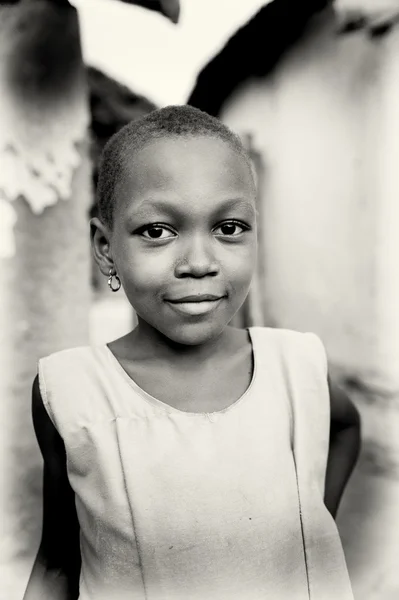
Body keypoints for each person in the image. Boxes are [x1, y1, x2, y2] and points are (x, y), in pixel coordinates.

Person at [24, 105, 361, 600]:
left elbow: (347, 426)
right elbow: (58, 560)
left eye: (229, 228)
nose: (200, 263)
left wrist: (310, 519)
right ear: (105, 247)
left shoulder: (295, 367)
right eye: (157, 232)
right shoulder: (72, 393)